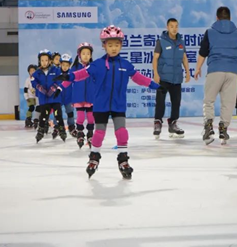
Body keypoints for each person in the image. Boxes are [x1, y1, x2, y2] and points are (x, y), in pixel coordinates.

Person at [54, 25, 160, 179]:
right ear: (104, 45)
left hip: (118, 104)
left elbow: (138, 77)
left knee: (121, 131)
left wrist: (155, 85)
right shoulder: (97, 64)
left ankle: (123, 159)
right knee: (99, 132)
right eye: (110, 45)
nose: (113, 48)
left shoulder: (125, 64)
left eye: (117, 44)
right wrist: (68, 77)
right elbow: (82, 73)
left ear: (121, 45)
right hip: (101, 105)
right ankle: (94, 157)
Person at [195, 6, 237, 145]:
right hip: (232, 72)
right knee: (228, 103)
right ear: (230, 18)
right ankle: (223, 129)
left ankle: (208, 127)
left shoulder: (210, 32)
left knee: (209, 100)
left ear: (217, 18)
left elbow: (203, 52)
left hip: (215, 70)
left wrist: (198, 68)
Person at [152, 18, 190, 139]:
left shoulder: (181, 42)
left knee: (176, 102)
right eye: (172, 26)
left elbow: (184, 58)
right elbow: (155, 58)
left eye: (176, 26)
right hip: (163, 77)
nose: (174, 28)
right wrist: (156, 74)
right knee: (160, 102)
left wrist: (188, 72)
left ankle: (173, 123)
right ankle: (158, 123)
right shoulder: (161, 41)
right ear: (167, 27)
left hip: (177, 78)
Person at [63, 43, 96, 149]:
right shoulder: (75, 68)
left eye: (88, 53)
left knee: (91, 118)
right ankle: (80, 133)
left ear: (91, 55)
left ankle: (90, 133)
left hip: (91, 97)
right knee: (81, 117)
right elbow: (69, 79)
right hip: (79, 97)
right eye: (83, 53)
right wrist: (59, 88)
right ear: (79, 55)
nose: (86, 56)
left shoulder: (94, 67)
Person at [31, 49, 66, 143]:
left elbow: (60, 79)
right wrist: (38, 87)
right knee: (44, 115)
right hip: (44, 98)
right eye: (42, 60)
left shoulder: (56, 70)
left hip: (54, 98)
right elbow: (33, 81)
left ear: (50, 60)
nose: (44, 62)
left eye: (46, 60)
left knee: (57, 114)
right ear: (39, 61)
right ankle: (41, 130)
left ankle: (62, 129)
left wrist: (54, 87)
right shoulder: (37, 72)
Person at [56, 54, 75, 138]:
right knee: (58, 113)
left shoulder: (72, 73)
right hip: (59, 98)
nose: (64, 67)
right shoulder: (57, 72)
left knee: (70, 113)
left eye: (67, 65)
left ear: (69, 66)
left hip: (69, 98)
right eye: (63, 65)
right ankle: (57, 127)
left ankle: (71, 126)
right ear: (60, 64)